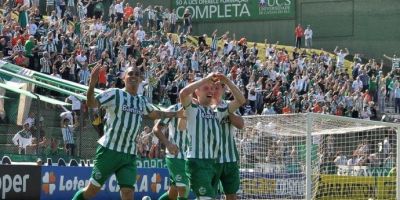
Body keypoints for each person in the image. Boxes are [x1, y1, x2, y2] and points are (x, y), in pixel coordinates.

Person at [73, 64, 184, 200]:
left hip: (129, 154)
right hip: (109, 150)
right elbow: (91, 104)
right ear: (124, 77)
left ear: (140, 80)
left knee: (128, 193)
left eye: (136, 74)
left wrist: (176, 114)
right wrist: (91, 84)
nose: (133, 76)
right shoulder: (115, 94)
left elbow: (155, 113)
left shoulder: (141, 100)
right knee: (92, 190)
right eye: (130, 74)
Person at [179, 73, 244, 199]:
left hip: (213, 163)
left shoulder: (217, 111)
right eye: (206, 88)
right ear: (197, 91)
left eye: (212, 88)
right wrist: (205, 79)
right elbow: (183, 93)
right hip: (197, 162)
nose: (210, 91)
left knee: (209, 197)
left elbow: (241, 100)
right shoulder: (192, 108)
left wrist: (227, 81)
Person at [212, 79, 246, 199]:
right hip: (211, 159)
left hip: (229, 158)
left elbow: (241, 125)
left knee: (231, 195)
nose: (214, 90)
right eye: (212, 87)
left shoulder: (229, 105)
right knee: (208, 195)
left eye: (217, 88)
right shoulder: (204, 107)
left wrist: (228, 112)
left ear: (223, 89)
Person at [153, 103, 190, 200]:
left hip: (190, 157)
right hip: (175, 155)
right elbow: (156, 129)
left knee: (172, 193)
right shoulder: (174, 109)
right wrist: (168, 144)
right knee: (183, 188)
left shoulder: (200, 109)